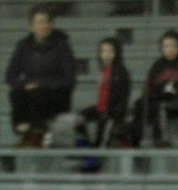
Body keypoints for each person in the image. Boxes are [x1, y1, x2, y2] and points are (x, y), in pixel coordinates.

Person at [4, 3, 76, 148]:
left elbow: (69, 79)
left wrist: (43, 85)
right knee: (17, 93)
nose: (44, 26)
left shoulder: (62, 46)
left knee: (37, 94)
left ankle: (37, 137)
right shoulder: (23, 46)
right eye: (40, 22)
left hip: (55, 94)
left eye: (47, 22)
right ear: (32, 26)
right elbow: (10, 75)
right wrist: (25, 85)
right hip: (31, 92)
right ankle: (26, 134)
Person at [129, 29, 178, 147]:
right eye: (166, 46)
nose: (170, 49)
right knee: (140, 103)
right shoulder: (157, 65)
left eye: (173, 46)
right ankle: (134, 139)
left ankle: (162, 138)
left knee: (160, 106)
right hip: (159, 99)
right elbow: (149, 87)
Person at [75, 37, 131, 149]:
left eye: (109, 51)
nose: (106, 54)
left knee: (100, 142)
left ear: (116, 53)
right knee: (78, 119)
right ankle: (84, 149)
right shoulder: (104, 69)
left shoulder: (119, 71)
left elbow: (118, 97)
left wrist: (110, 113)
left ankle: (93, 157)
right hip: (100, 108)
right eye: (103, 51)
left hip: (110, 112)